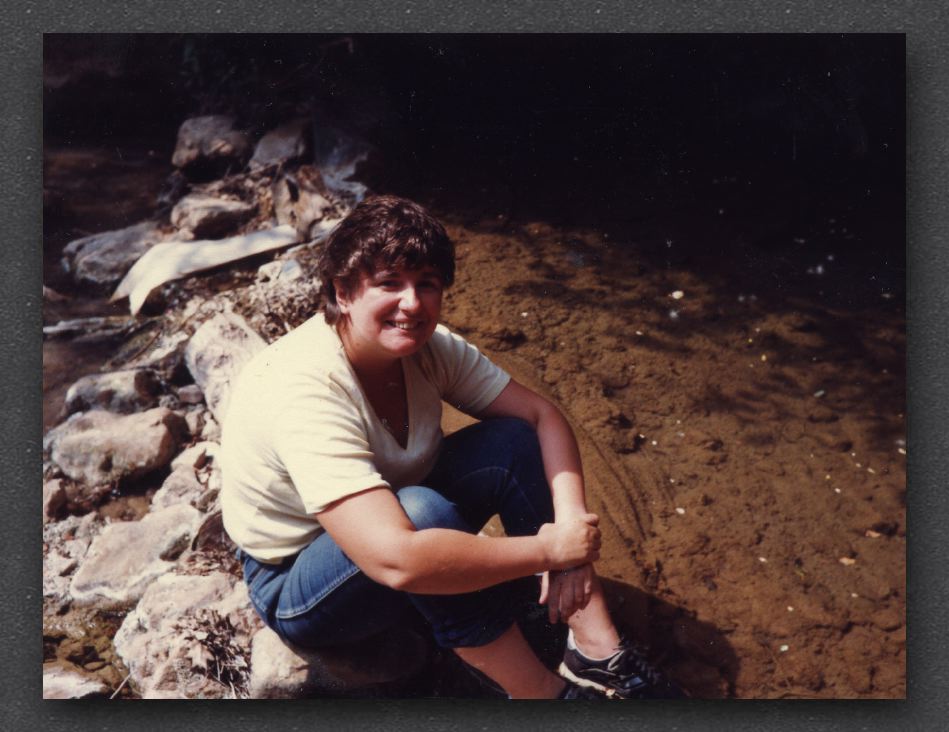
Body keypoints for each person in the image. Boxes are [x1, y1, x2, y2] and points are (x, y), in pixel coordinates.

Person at [220, 194, 683, 699]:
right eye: (389, 284)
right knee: (421, 513)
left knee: (511, 441)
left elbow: (541, 415)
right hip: (298, 581)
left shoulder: (431, 349)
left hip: (393, 518)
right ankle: (543, 697)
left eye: (427, 285)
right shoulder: (305, 388)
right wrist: (546, 549)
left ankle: (597, 650)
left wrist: (570, 532)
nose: (412, 304)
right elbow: (397, 559)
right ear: (343, 291)